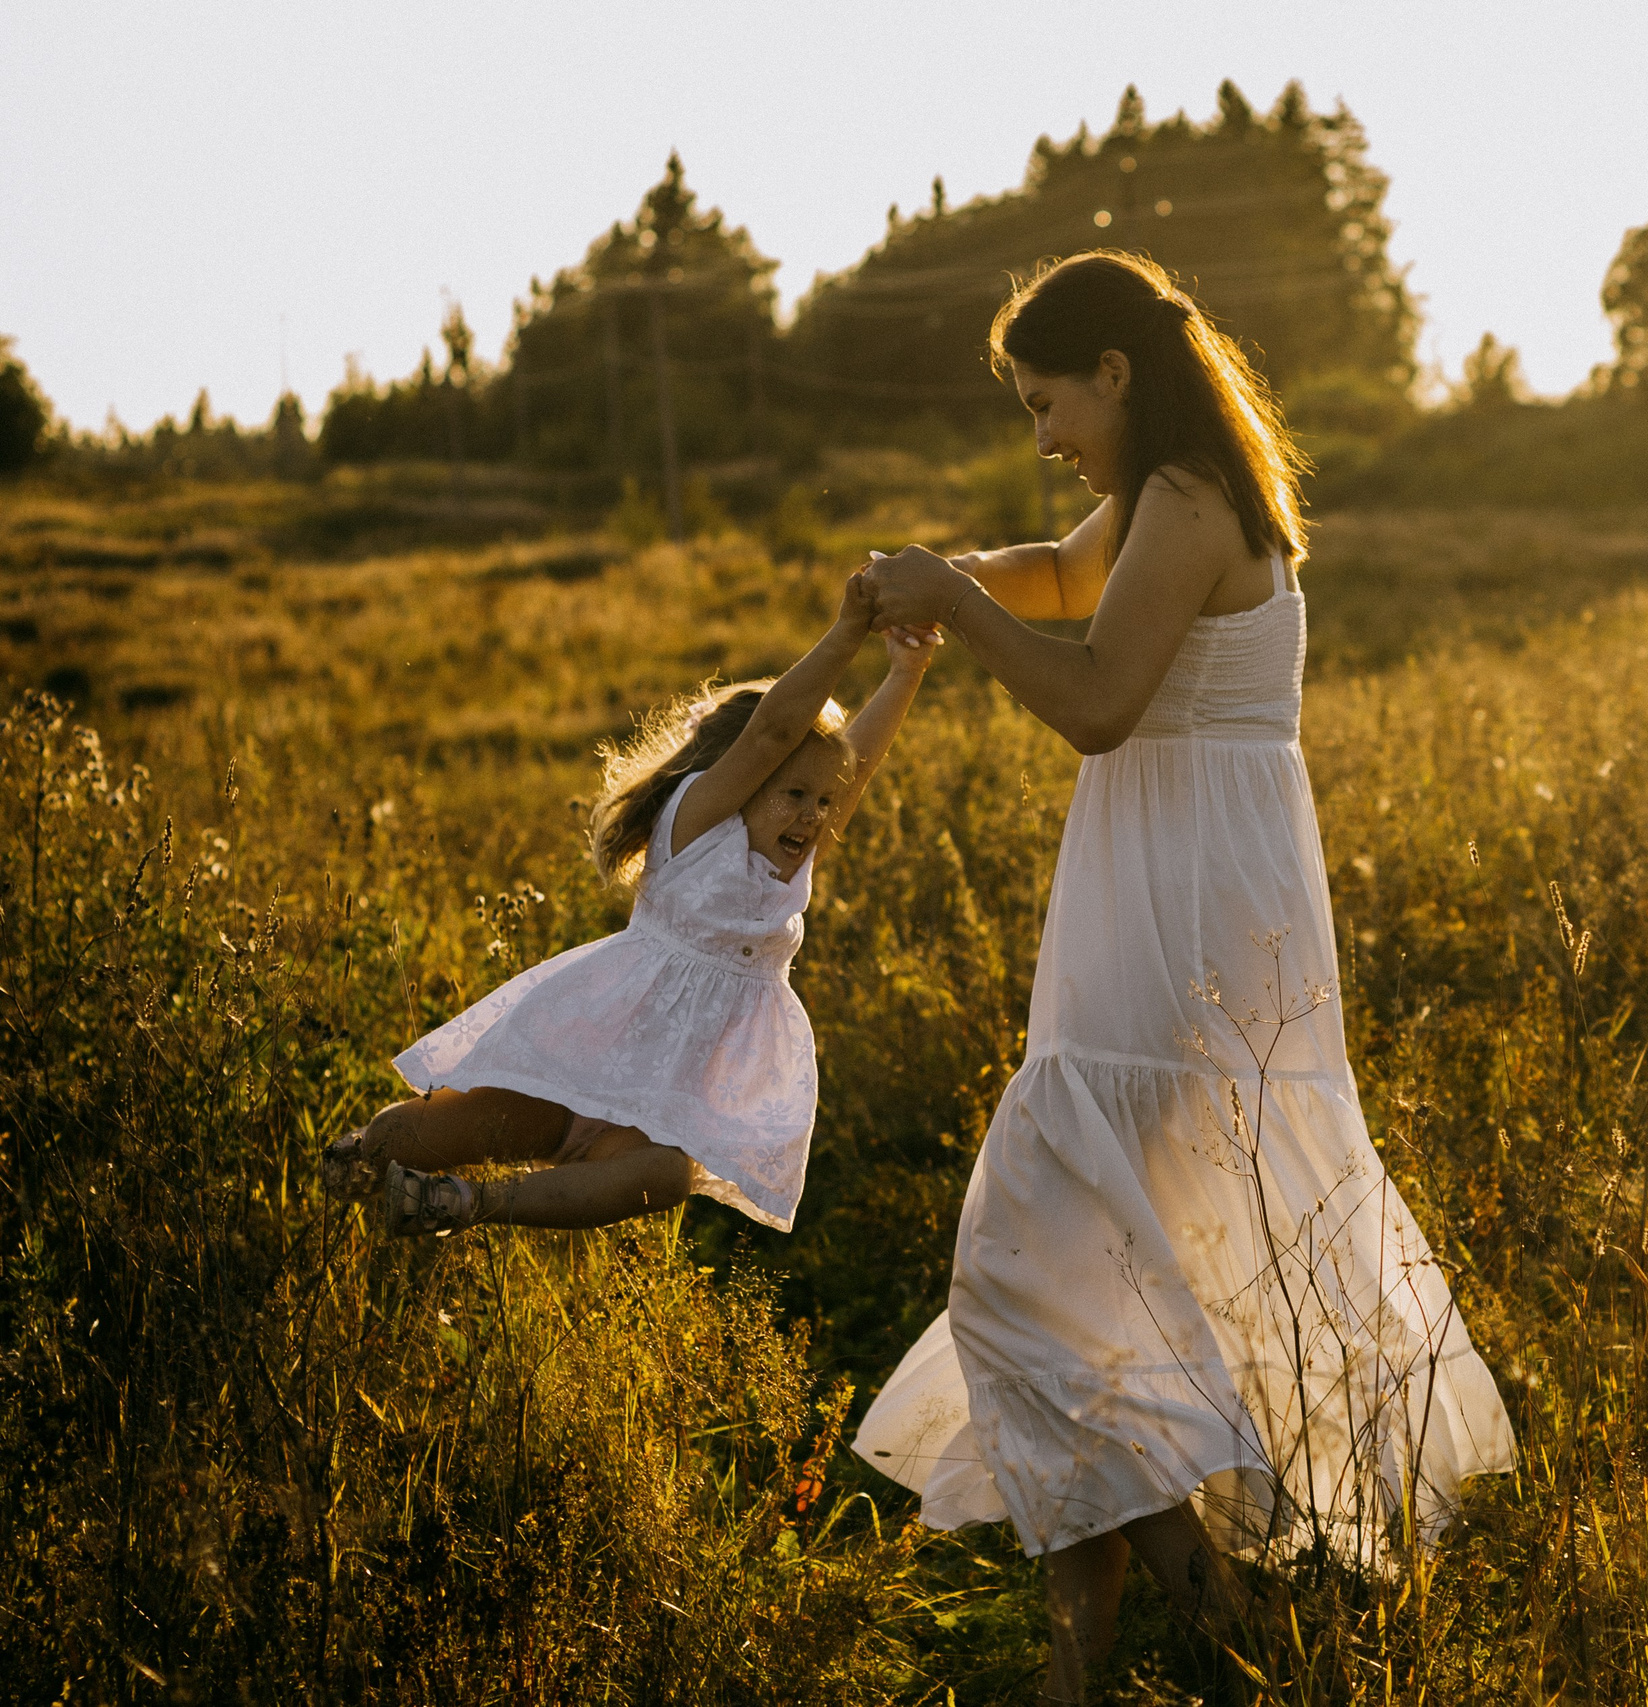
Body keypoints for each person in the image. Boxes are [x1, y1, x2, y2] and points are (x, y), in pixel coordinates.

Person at [849, 251, 1514, 1703]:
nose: (1043, 438)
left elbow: (1093, 700)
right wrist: (940, 577)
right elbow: (1065, 579)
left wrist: (955, 614)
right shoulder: (1167, 496)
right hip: (1177, 882)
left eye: (1047, 403)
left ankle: (1211, 1607)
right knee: (1093, 1262)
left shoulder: (1194, 496)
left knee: (1033, 1254)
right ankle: (1093, 1652)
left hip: (1183, 903)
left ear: (1115, 373)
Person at [321, 575, 937, 1237]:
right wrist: (848, 632)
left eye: (821, 800)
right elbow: (773, 732)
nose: (816, 815)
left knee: (664, 1177)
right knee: (413, 1138)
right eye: (795, 794)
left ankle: (461, 1205)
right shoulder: (698, 824)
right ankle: (350, 1161)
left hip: (645, 1116)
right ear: (740, 774)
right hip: (577, 1064)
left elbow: (857, 764)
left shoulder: (785, 860)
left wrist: (907, 669)